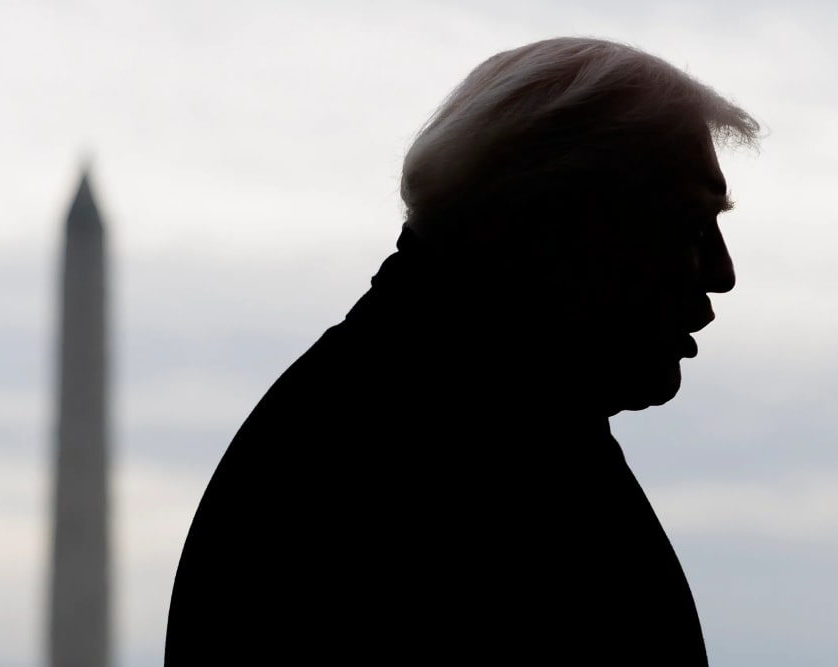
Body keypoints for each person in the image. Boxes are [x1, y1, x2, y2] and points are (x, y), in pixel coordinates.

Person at [165, 37, 760, 664]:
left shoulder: (398, 417)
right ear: (555, 223)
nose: (721, 273)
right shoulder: (448, 462)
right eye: (690, 226)